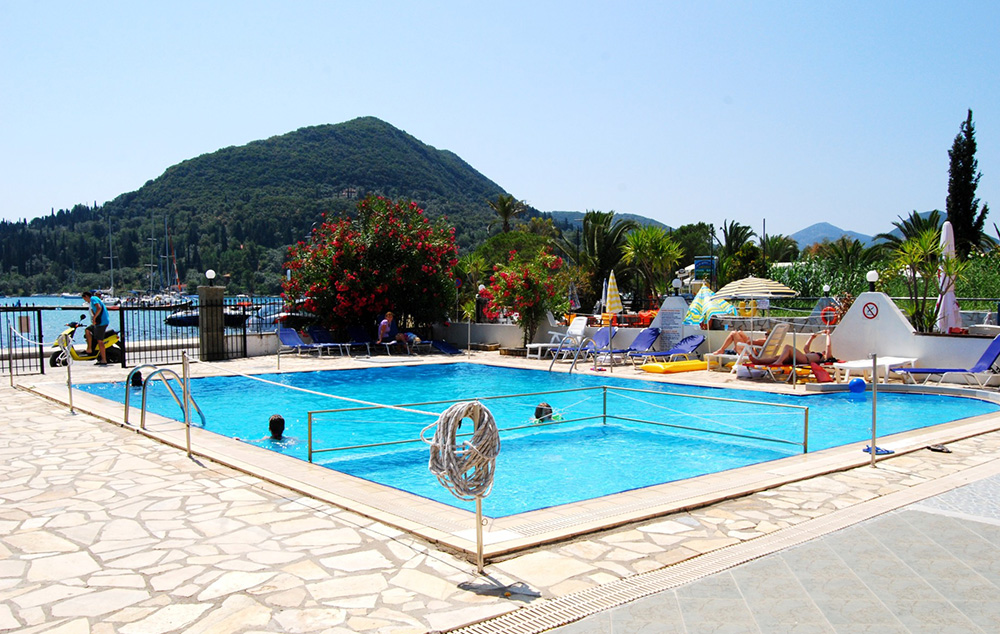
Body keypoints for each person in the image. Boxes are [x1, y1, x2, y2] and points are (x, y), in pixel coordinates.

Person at [748, 330, 834, 366]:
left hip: (805, 360)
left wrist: (828, 335)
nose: (824, 351)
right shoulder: (814, 354)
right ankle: (759, 361)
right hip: (801, 358)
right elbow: (805, 348)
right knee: (777, 357)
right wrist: (812, 337)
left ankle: (779, 362)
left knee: (788, 347)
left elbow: (828, 346)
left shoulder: (826, 357)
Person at [81, 290, 110, 365]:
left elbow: (99, 308)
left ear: (86, 296)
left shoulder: (93, 299)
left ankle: (104, 359)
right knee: (87, 330)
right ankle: (89, 349)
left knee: (100, 341)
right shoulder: (92, 301)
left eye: (84, 299)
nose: (85, 301)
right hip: (98, 323)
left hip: (102, 322)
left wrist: (94, 318)